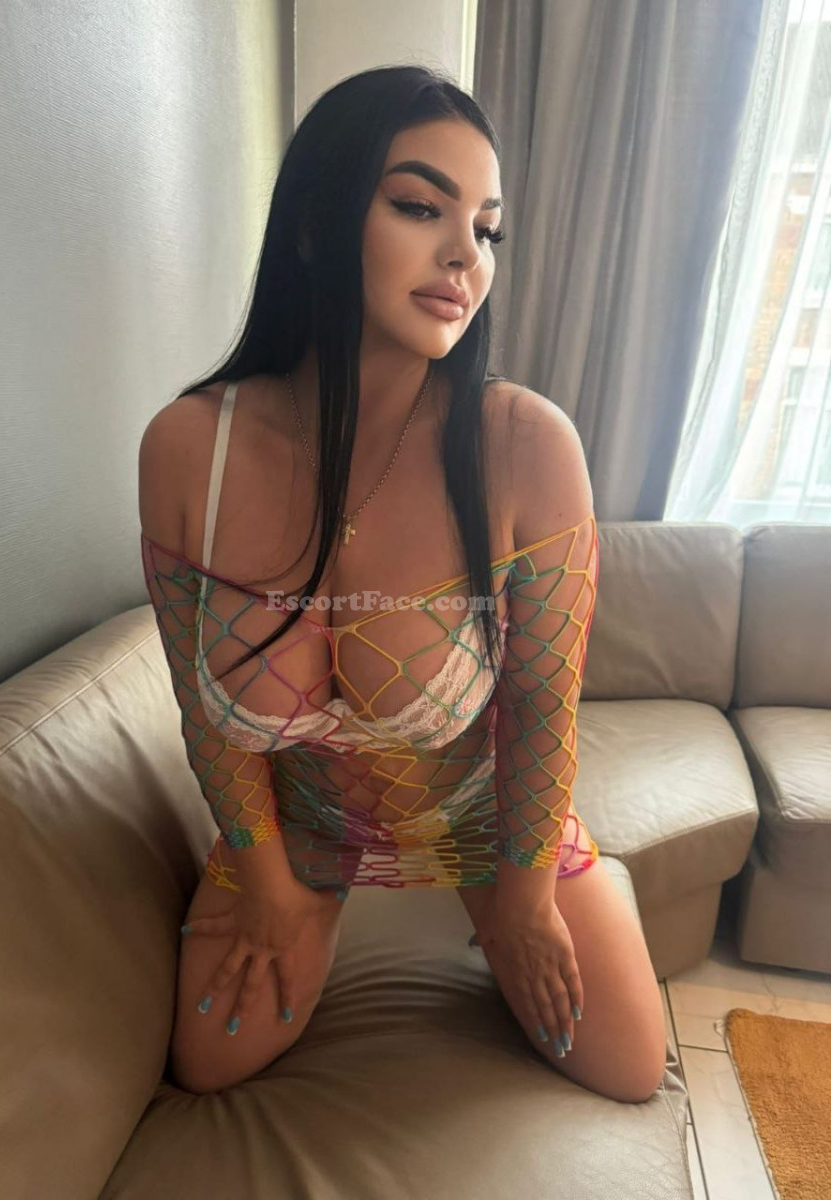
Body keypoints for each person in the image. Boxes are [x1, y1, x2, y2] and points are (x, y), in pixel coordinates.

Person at [138, 65, 666, 1100]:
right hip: (302, 833)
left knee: (627, 1064)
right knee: (210, 1059)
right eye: (421, 207)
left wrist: (525, 903)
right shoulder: (191, 450)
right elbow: (207, 715)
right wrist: (266, 882)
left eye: (487, 227)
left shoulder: (524, 445)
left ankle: (576, 884)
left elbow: (540, 708)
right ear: (313, 225)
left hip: (486, 824)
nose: (466, 254)